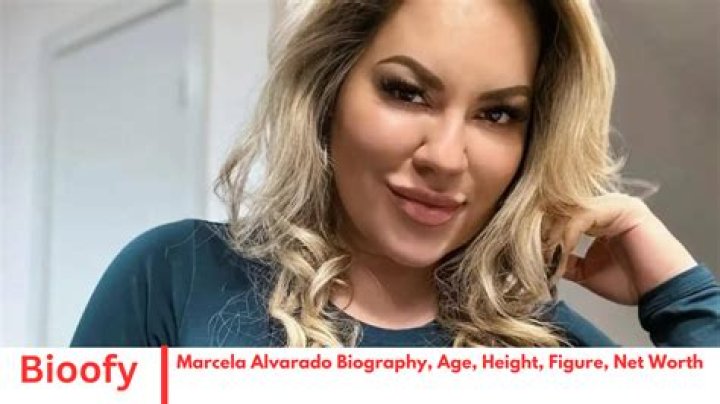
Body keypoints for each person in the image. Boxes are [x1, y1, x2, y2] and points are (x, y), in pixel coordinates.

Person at [71, 0, 719, 347]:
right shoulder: (174, 277)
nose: (445, 156)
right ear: (329, 91)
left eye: (497, 113)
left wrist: (680, 294)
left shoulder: (552, 353)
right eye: (407, 92)